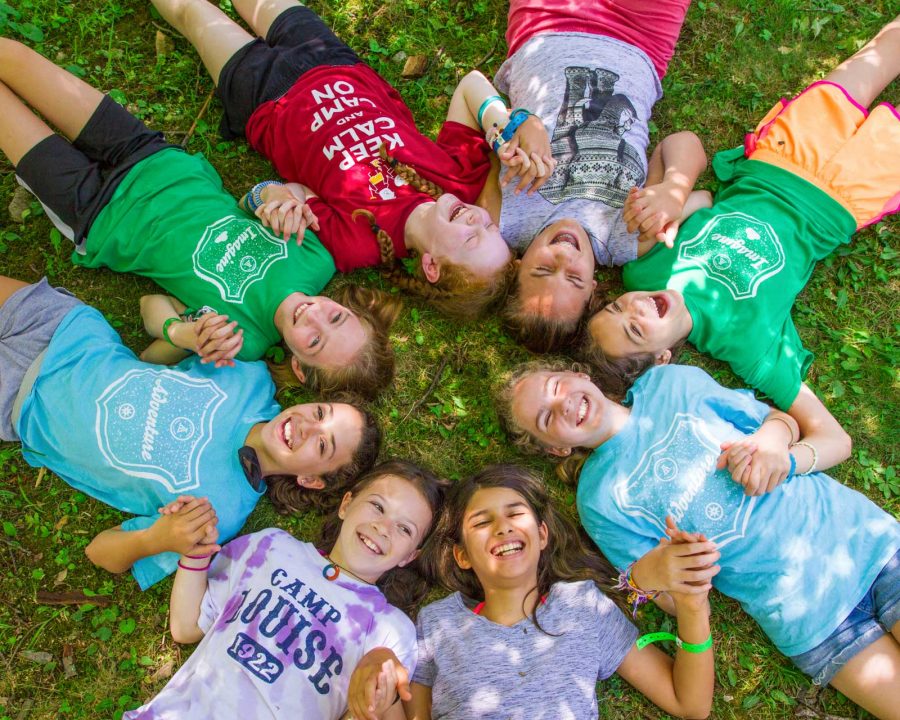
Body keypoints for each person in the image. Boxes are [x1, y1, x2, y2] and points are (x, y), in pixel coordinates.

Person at [0, 38, 400, 399]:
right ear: (346, 307)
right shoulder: (316, 257)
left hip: (97, 216)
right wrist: (275, 194)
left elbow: (151, 319)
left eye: (314, 341)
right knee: (16, 59)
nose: (313, 316)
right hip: (152, 158)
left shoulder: (242, 342)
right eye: (335, 317)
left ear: (298, 363)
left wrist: (185, 336)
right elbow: (250, 201)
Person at [498, 362, 900, 719]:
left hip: (867, 545)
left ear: (579, 374)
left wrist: (773, 442)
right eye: (547, 418)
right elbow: (664, 599)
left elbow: (780, 422)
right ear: (557, 447)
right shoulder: (597, 499)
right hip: (808, 619)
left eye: (555, 387)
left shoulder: (669, 383)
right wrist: (658, 572)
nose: (563, 405)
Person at [585, 16, 900, 408]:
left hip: (780, 158)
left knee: (879, 55)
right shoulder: (747, 350)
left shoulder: (643, 270)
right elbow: (818, 421)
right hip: (842, 200)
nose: (633, 307)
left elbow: (703, 201)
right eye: (634, 330)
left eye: (616, 306)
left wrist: (673, 199)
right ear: (661, 358)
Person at [149, 0, 525, 319]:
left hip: (264, 97)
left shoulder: (357, 243)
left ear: (431, 266)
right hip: (331, 59)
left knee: (190, 12)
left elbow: (290, 191)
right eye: (490, 228)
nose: (478, 219)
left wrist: (275, 199)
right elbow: (471, 85)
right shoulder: (460, 180)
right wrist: (503, 127)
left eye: (472, 240)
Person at [0, 273, 380, 589]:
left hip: (19, 402)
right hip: (65, 328)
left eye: (322, 443)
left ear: (311, 480)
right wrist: (188, 333)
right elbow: (152, 310)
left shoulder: (218, 514)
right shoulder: (250, 377)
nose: (306, 426)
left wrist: (158, 538)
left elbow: (101, 553)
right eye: (319, 412)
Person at [349, 465, 713, 720]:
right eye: (482, 522)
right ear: (461, 555)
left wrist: (693, 606)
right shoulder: (437, 623)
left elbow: (689, 703)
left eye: (515, 514)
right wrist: (379, 702)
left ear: (541, 535)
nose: (503, 528)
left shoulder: (584, 605)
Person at [123, 460, 449, 720]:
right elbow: (186, 627)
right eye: (377, 506)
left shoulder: (389, 631)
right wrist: (195, 552)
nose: (383, 527)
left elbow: (367, 711)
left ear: (409, 556)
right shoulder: (272, 546)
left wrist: (376, 697)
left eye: (404, 528)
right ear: (346, 504)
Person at [491, 0, 709, 352]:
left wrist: (516, 124)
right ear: (593, 287)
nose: (563, 259)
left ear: (515, 267)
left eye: (543, 271)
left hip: (545, 23)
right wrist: (674, 191)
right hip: (640, 36)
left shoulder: (503, 218)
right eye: (575, 278)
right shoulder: (628, 238)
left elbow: (485, 117)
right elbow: (686, 147)